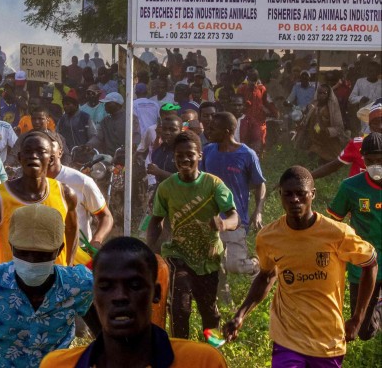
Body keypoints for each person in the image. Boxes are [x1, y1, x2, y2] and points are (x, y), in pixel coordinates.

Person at [224, 166, 378, 366]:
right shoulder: (269, 237)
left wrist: (358, 318)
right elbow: (266, 276)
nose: (294, 199)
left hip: (327, 340)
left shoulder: (337, 233)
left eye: (301, 193)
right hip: (287, 337)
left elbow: (370, 263)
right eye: (288, 194)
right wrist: (240, 315)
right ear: (280, 195)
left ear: (312, 194)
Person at [0, 204, 95, 368]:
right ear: (11, 246)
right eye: (23, 252)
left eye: (42, 254)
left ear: (59, 250)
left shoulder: (78, 284)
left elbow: (103, 330)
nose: (32, 261)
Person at [41, 237, 226, 368]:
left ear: (156, 293)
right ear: (93, 296)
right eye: (106, 287)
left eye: (135, 285)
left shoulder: (202, 362)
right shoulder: (58, 365)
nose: (120, 296)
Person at [146, 130, 239, 339]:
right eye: (180, 155)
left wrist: (223, 224)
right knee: (180, 309)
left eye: (190, 154)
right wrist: (151, 253)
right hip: (178, 255)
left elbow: (235, 217)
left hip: (209, 257)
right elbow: (156, 222)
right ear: (174, 157)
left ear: (200, 156)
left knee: (209, 311)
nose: (185, 159)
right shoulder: (166, 188)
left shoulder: (214, 185)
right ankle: (180, 353)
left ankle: (213, 353)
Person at [0, 131, 78, 267]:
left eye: (41, 151)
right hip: (12, 285)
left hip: (54, 285)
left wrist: (69, 266)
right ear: (19, 157)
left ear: (51, 159)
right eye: (28, 151)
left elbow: (71, 230)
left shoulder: (65, 194)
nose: (33, 156)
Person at [325, 132, 382, 341]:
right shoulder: (350, 187)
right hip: (363, 264)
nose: (375, 164)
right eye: (370, 160)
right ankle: (377, 308)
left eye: (380, 160)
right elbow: (334, 222)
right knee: (364, 331)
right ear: (362, 159)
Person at [200, 112, 266, 275]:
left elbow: (260, 184)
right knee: (212, 265)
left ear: (227, 131)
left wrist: (258, 211)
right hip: (210, 219)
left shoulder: (247, 154)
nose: (209, 130)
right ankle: (222, 296)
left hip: (236, 219)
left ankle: (257, 264)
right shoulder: (208, 151)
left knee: (235, 265)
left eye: (213, 128)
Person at [47, 132, 114, 250]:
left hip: (76, 257)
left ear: (60, 152)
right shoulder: (27, 184)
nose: (45, 153)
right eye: (40, 149)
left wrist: (96, 240)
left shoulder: (81, 181)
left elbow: (105, 216)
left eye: (49, 147)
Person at [313, 101, 382, 179]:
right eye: (375, 123)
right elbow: (335, 165)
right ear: (369, 126)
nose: (380, 126)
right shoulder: (358, 143)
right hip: (356, 189)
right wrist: (308, 177)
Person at [349, 61, 381, 132]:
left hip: (378, 117)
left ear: (378, 72)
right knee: (366, 135)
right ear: (367, 72)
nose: (372, 73)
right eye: (370, 71)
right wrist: (360, 98)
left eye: (374, 71)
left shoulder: (380, 84)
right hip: (364, 117)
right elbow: (351, 98)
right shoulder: (360, 82)